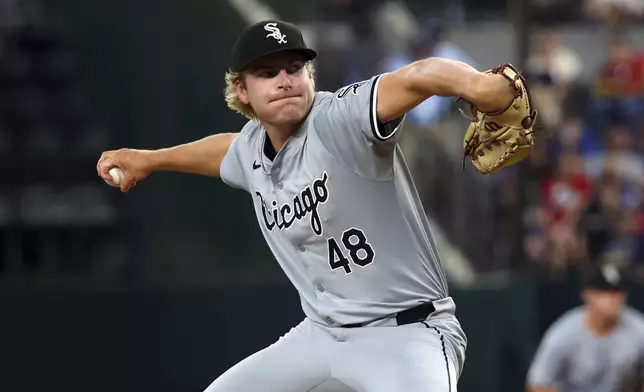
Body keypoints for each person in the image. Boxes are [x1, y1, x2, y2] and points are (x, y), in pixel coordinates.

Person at [97, 20, 518, 392]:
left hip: (407, 335)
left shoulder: (340, 119)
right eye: (267, 72)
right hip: (321, 336)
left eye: (294, 68)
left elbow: (420, 74)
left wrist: (479, 86)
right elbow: (224, 151)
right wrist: (150, 159)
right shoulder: (252, 150)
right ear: (241, 90)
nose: (285, 79)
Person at [526, 263, 644, 392]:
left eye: (617, 293)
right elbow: (538, 384)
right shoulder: (565, 332)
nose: (613, 299)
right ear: (588, 295)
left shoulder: (638, 329)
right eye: (604, 293)